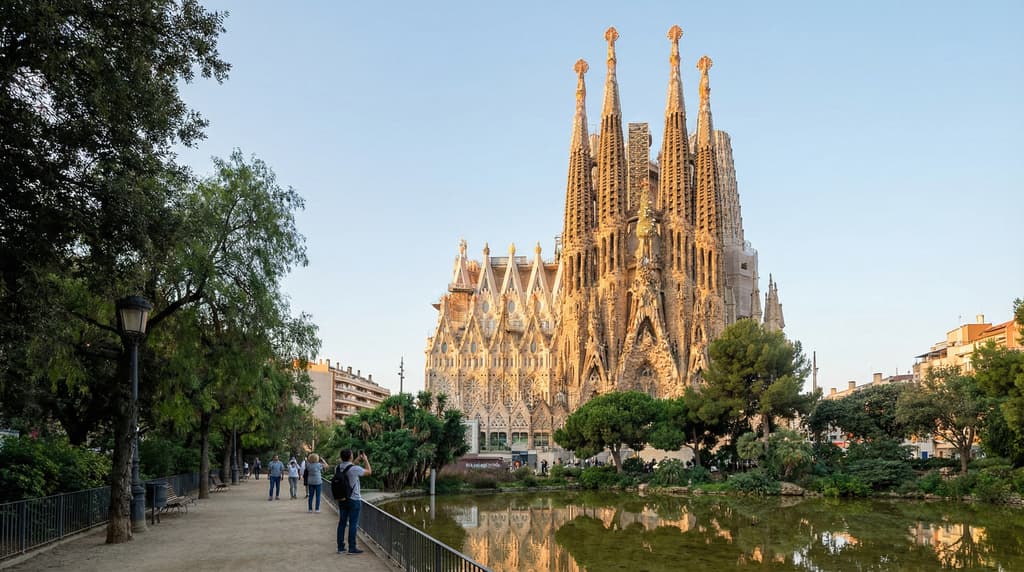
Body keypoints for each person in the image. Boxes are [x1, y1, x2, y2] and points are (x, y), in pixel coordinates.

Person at [335, 450, 371, 555]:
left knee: (342, 523)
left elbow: (348, 468)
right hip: (354, 499)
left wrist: (356, 460)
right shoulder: (355, 469)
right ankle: (352, 548)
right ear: (350, 457)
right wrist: (365, 460)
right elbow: (369, 471)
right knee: (353, 524)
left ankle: (340, 548)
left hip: (342, 498)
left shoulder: (337, 468)